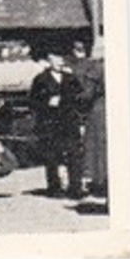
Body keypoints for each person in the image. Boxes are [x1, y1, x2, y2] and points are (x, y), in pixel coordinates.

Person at [28, 51, 85, 199]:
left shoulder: (70, 78)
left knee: (74, 153)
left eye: (62, 58)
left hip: (69, 121)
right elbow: (32, 102)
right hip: (50, 123)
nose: (60, 62)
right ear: (49, 60)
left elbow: (80, 96)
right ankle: (54, 187)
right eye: (57, 59)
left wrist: (72, 104)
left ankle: (75, 187)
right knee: (52, 155)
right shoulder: (40, 79)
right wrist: (46, 103)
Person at [80, 43, 108, 202]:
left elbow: (87, 94)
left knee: (98, 145)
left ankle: (100, 180)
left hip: (100, 108)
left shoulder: (97, 67)